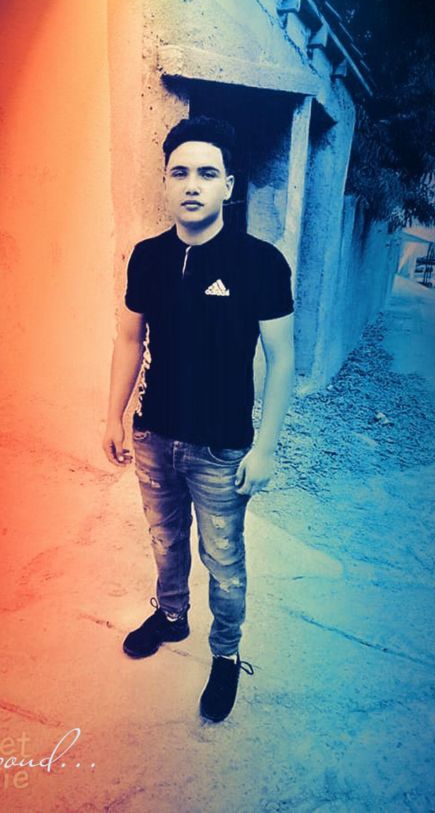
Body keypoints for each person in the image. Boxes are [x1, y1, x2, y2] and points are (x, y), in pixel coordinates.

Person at [102, 115, 295, 722]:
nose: (192, 184)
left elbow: (282, 358)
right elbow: (129, 339)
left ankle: (226, 653)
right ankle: (171, 615)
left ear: (228, 186)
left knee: (224, 560)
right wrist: (113, 416)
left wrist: (266, 448)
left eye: (207, 173)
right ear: (165, 181)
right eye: (180, 172)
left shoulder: (261, 263)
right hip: (154, 433)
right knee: (165, 540)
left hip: (221, 446)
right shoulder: (148, 258)